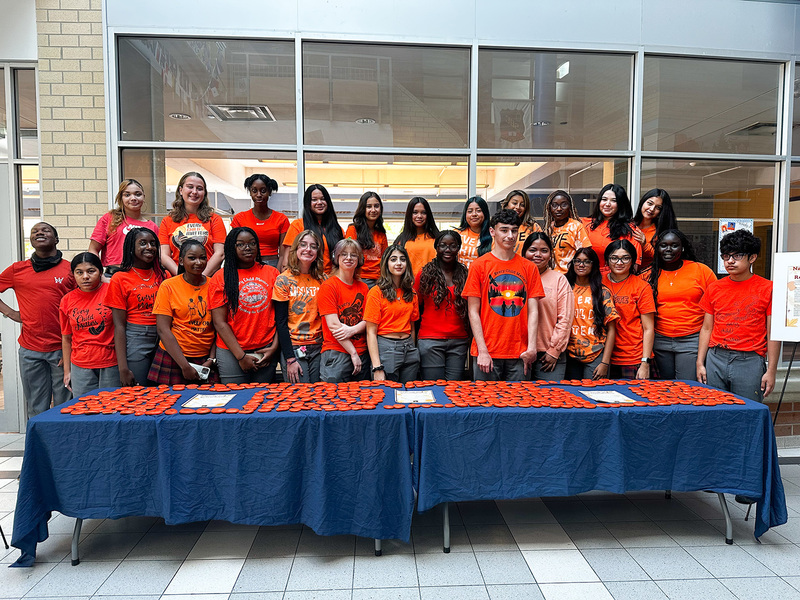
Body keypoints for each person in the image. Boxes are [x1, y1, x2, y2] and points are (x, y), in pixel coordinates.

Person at [0, 223, 75, 416]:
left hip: (62, 349)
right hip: (30, 350)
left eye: (45, 230)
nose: (39, 232)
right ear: (31, 240)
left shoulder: (70, 269)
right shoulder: (18, 270)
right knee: (36, 407)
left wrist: (72, 349)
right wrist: (11, 313)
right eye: (34, 231)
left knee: (64, 408)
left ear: (56, 239)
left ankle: (60, 445)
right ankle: (37, 446)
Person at [697, 229, 779, 402]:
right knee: (715, 410)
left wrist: (771, 370)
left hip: (749, 359)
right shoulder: (714, 288)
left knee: (748, 412)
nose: (730, 261)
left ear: (752, 257)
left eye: (737, 256)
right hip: (716, 357)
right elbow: (706, 328)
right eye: (726, 256)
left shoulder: (768, 288)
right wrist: (700, 362)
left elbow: (773, 332)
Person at [463, 209, 545, 381]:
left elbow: (533, 311)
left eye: (514, 230)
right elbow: (473, 312)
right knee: (485, 406)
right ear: (492, 232)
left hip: (520, 353)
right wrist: (483, 351)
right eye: (504, 230)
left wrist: (531, 348)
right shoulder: (479, 265)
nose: (510, 235)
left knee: (518, 406)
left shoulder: (529, 268)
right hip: (488, 352)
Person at [209, 228, 280, 383]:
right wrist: (241, 356)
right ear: (231, 247)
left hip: (265, 349)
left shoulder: (272, 273)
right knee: (235, 399)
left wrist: (274, 347)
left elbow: (281, 316)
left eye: (252, 243)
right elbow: (219, 322)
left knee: (264, 400)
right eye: (240, 245)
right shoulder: (220, 277)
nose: (248, 248)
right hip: (231, 351)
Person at [648, 229, 716, 380]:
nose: (668, 250)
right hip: (659, 340)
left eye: (674, 245)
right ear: (657, 248)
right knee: (663, 389)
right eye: (663, 245)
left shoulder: (701, 271)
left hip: (691, 339)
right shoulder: (649, 275)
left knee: (686, 388)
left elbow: (715, 306)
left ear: (682, 248)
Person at [149, 240, 216, 384]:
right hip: (174, 356)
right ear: (180, 261)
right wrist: (184, 365)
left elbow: (219, 326)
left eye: (202, 258)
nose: (198, 262)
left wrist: (211, 358)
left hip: (205, 359)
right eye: (192, 258)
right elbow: (163, 330)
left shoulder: (214, 285)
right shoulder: (168, 286)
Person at [105, 227, 165, 387]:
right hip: (136, 337)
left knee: (163, 392)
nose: (150, 247)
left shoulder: (163, 275)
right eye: (143, 243)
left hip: (164, 337)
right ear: (131, 247)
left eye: (153, 243)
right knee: (138, 392)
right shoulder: (120, 278)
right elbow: (119, 326)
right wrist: (123, 368)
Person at [60, 252, 121, 397]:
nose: (85, 277)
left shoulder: (112, 291)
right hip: (81, 365)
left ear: (100, 272)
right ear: (73, 275)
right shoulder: (67, 300)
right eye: (79, 272)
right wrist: (67, 371)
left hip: (111, 362)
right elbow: (66, 338)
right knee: (84, 411)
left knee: (111, 409)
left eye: (91, 271)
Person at [273, 230, 327, 383]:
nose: (308, 249)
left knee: (320, 395)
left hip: (319, 347)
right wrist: (290, 359)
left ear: (318, 252)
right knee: (300, 397)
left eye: (313, 246)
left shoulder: (324, 279)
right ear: (295, 249)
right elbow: (281, 323)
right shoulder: (283, 280)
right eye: (303, 245)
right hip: (294, 347)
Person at [416, 230, 470, 380]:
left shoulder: (465, 274)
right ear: (436, 247)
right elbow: (416, 308)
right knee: (433, 389)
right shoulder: (424, 275)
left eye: (453, 246)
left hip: (459, 341)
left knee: (454, 389)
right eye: (443, 245)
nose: (448, 250)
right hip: (430, 341)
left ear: (458, 247)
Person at [522, 232, 575, 381]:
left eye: (544, 251)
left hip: (548, 354)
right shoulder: (516, 277)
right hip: (519, 352)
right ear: (524, 252)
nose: (538, 255)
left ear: (551, 255)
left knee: (550, 399)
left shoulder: (559, 280)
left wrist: (554, 351)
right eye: (532, 250)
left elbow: (565, 319)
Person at [365, 245, 420, 383]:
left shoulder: (411, 293)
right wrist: (377, 367)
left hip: (409, 349)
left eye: (402, 259)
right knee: (387, 397)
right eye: (393, 259)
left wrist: (412, 348)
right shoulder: (376, 292)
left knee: (409, 395)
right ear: (386, 263)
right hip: (386, 348)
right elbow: (370, 332)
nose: (398, 263)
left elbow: (412, 326)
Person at [318, 239, 370, 382]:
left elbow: (369, 320)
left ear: (359, 259)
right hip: (337, 353)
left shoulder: (364, 288)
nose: (348, 258)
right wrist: (353, 353)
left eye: (353, 255)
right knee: (333, 402)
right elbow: (334, 325)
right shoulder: (328, 286)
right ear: (337, 258)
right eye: (344, 254)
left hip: (362, 353)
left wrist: (352, 330)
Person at [603, 240, 655, 379]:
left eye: (625, 258)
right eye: (614, 258)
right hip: (602, 356)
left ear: (632, 260)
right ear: (607, 260)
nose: (619, 263)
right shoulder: (598, 281)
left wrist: (645, 363)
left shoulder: (641, 287)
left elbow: (648, 328)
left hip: (633, 356)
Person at [564, 248, 618, 380]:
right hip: (569, 353)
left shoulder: (602, 292)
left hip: (596, 353)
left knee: (594, 395)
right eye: (578, 261)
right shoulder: (565, 287)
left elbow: (611, 329)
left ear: (593, 265)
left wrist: (605, 362)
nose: (581, 265)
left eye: (586, 262)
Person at [159, 171, 226, 277]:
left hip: (208, 279)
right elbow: (164, 255)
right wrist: (182, 277)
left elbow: (220, 254)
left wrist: (201, 277)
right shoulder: (167, 221)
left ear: (204, 193)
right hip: (178, 280)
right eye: (190, 187)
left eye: (199, 188)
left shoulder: (214, 219)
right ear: (181, 190)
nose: (194, 192)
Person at [89, 179, 158, 278]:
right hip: (112, 275)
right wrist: (100, 276)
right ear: (121, 198)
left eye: (138, 194)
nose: (133, 198)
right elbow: (93, 250)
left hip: (142, 276)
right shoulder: (109, 218)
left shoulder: (152, 226)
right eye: (127, 195)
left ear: (144, 197)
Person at [282, 184, 344, 275]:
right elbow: (286, 262)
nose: (319, 202)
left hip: (331, 281)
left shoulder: (337, 229)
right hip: (304, 280)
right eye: (314, 200)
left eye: (323, 199)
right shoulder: (297, 225)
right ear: (308, 203)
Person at [231, 174, 288, 268]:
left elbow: (283, 253)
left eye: (263, 191)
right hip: (246, 264)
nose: (258, 195)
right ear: (250, 192)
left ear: (269, 192)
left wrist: (278, 273)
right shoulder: (239, 218)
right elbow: (233, 248)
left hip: (273, 264)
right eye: (254, 191)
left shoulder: (281, 219)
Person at [583, 183, 642, 274]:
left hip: (614, 282)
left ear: (621, 204)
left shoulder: (631, 230)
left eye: (614, 201)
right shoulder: (584, 224)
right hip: (586, 280)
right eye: (604, 199)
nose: (607, 204)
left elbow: (634, 266)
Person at [542, 189, 591, 274]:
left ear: (570, 207)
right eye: (554, 205)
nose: (559, 209)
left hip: (570, 277)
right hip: (551, 277)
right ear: (549, 208)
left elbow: (586, 256)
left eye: (564, 205)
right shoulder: (548, 229)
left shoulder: (576, 226)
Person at [346, 191, 387, 287]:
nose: (373, 210)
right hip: (358, 278)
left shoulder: (381, 234)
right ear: (362, 209)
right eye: (369, 206)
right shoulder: (353, 230)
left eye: (376, 206)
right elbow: (348, 256)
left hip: (379, 280)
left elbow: (385, 260)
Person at [633, 188, 678, 275]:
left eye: (658, 207)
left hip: (649, 277)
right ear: (642, 202)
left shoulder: (662, 232)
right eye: (650, 203)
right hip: (624, 277)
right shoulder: (629, 225)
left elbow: (665, 258)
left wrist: (645, 245)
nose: (652, 209)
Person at [394, 196, 439, 277]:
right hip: (409, 287)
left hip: (433, 286)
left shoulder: (437, 238)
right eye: (415, 212)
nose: (419, 216)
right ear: (409, 215)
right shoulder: (402, 240)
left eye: (423, 212)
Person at [499, 189, 542, 254]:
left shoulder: (533, 227)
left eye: (522, 205)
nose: (518, 207)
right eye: (514, 203)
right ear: (506, 204)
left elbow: (541, 248)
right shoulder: (497, 225)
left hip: (526, 263)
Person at [457, 196, 492, 269]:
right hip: (459, 279)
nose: (474, 214)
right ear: (465, 214)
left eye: (478, 210)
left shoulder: (493, 236)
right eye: (470, 211)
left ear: (485, 213)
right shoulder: (457, 234)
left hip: (481, 278)